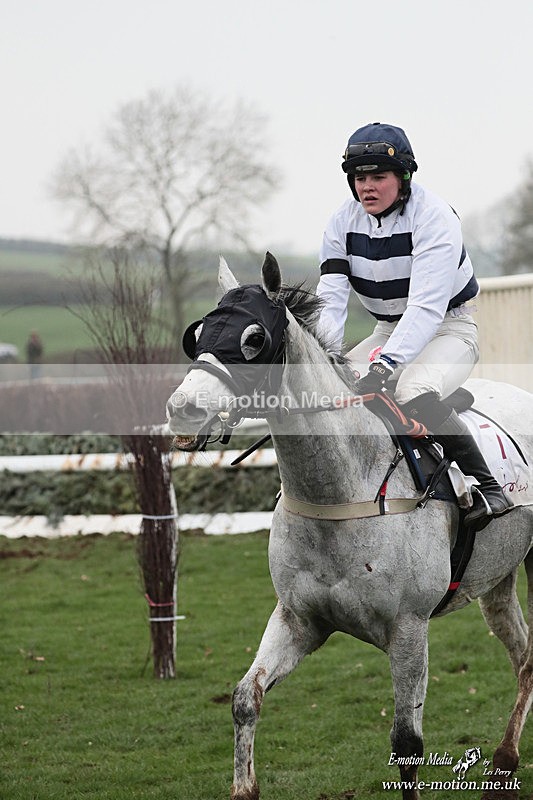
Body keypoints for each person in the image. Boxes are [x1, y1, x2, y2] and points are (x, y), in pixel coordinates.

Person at [316, 121, 512, 526]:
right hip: (387, 330)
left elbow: (425, 307)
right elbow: (331, 302)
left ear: (404, 177)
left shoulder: (435, 217)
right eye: (359, 177)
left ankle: (488, 487)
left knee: (412, 388)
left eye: (378, 177)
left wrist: (384, 366)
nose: (366, 187)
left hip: (448, 329)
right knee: (330, 394)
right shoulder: (340, 223)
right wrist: (321, 361)